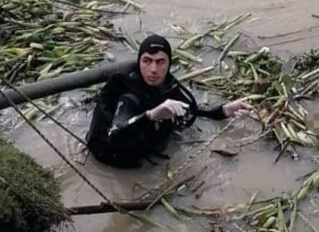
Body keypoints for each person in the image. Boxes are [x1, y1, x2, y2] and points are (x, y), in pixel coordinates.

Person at [87, 34, 252, 168]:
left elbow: (193, 111)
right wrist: (152, 115)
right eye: (147, 61)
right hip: (113, 155)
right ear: (139, 62)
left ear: (169, 64)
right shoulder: (128, 95)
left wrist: (224, 110)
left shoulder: (168, 86)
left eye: (160, 62)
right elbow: (115, 136)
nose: (153, 69)